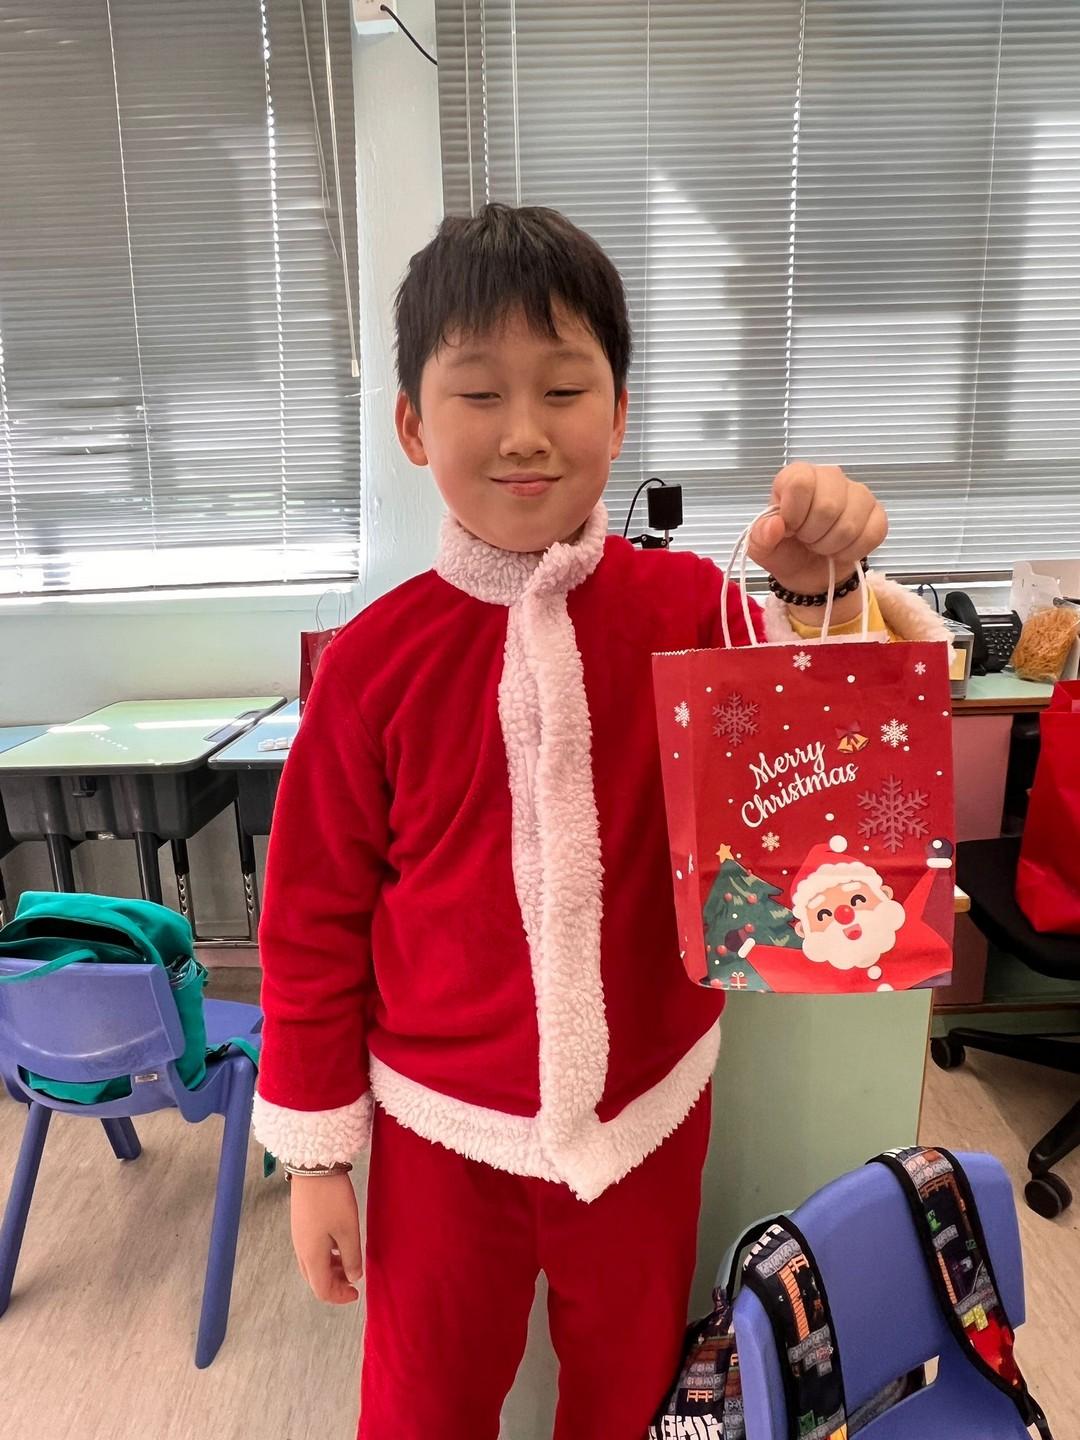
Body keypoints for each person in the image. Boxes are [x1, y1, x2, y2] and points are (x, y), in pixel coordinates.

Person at [251, 203, 948, 1439]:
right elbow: (310, 923)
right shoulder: (370, 663)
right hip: (439, 1127)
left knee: (628, 1397)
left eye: (564, 389)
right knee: (419, 1408)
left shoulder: (688, 606)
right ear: (412, 425)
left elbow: (819, 753)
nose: (524, 431)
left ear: (618, 414)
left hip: (646, 1118)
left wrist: (817, 588)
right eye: (479, 393)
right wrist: (316, 1157)